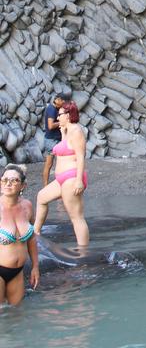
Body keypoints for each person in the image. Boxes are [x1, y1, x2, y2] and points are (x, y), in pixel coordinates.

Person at [35, 101, 89, 246]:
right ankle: (35, 233)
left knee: (76, 217)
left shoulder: (77, 131)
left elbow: (80, 156)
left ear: (68, 114)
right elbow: (65, 148)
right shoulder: (68, 130)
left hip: (72, 178)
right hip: (62, 179)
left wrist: (79, 180)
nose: (58, 118)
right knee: (41, 197)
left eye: (60, 115)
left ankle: (83, 251)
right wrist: (62, 132)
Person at [0, 164, 39, 305]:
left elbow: (32, 239)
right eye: (4, 180)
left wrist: (35, 266)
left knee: (16, 316)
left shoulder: (27, 206)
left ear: (23, 186)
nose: (8, 183)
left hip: (17, 272)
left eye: (14, 180)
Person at [42, 93, 65, 187]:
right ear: (57, 100)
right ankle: (56, 185)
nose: (64, 103)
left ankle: (46, 185)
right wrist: (62, 122)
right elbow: (50, 126)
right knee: (59, 163)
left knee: (49, 164)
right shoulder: (51, 109)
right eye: (62, 101)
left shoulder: (56, 109)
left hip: (52, 140)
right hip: (52, 141)